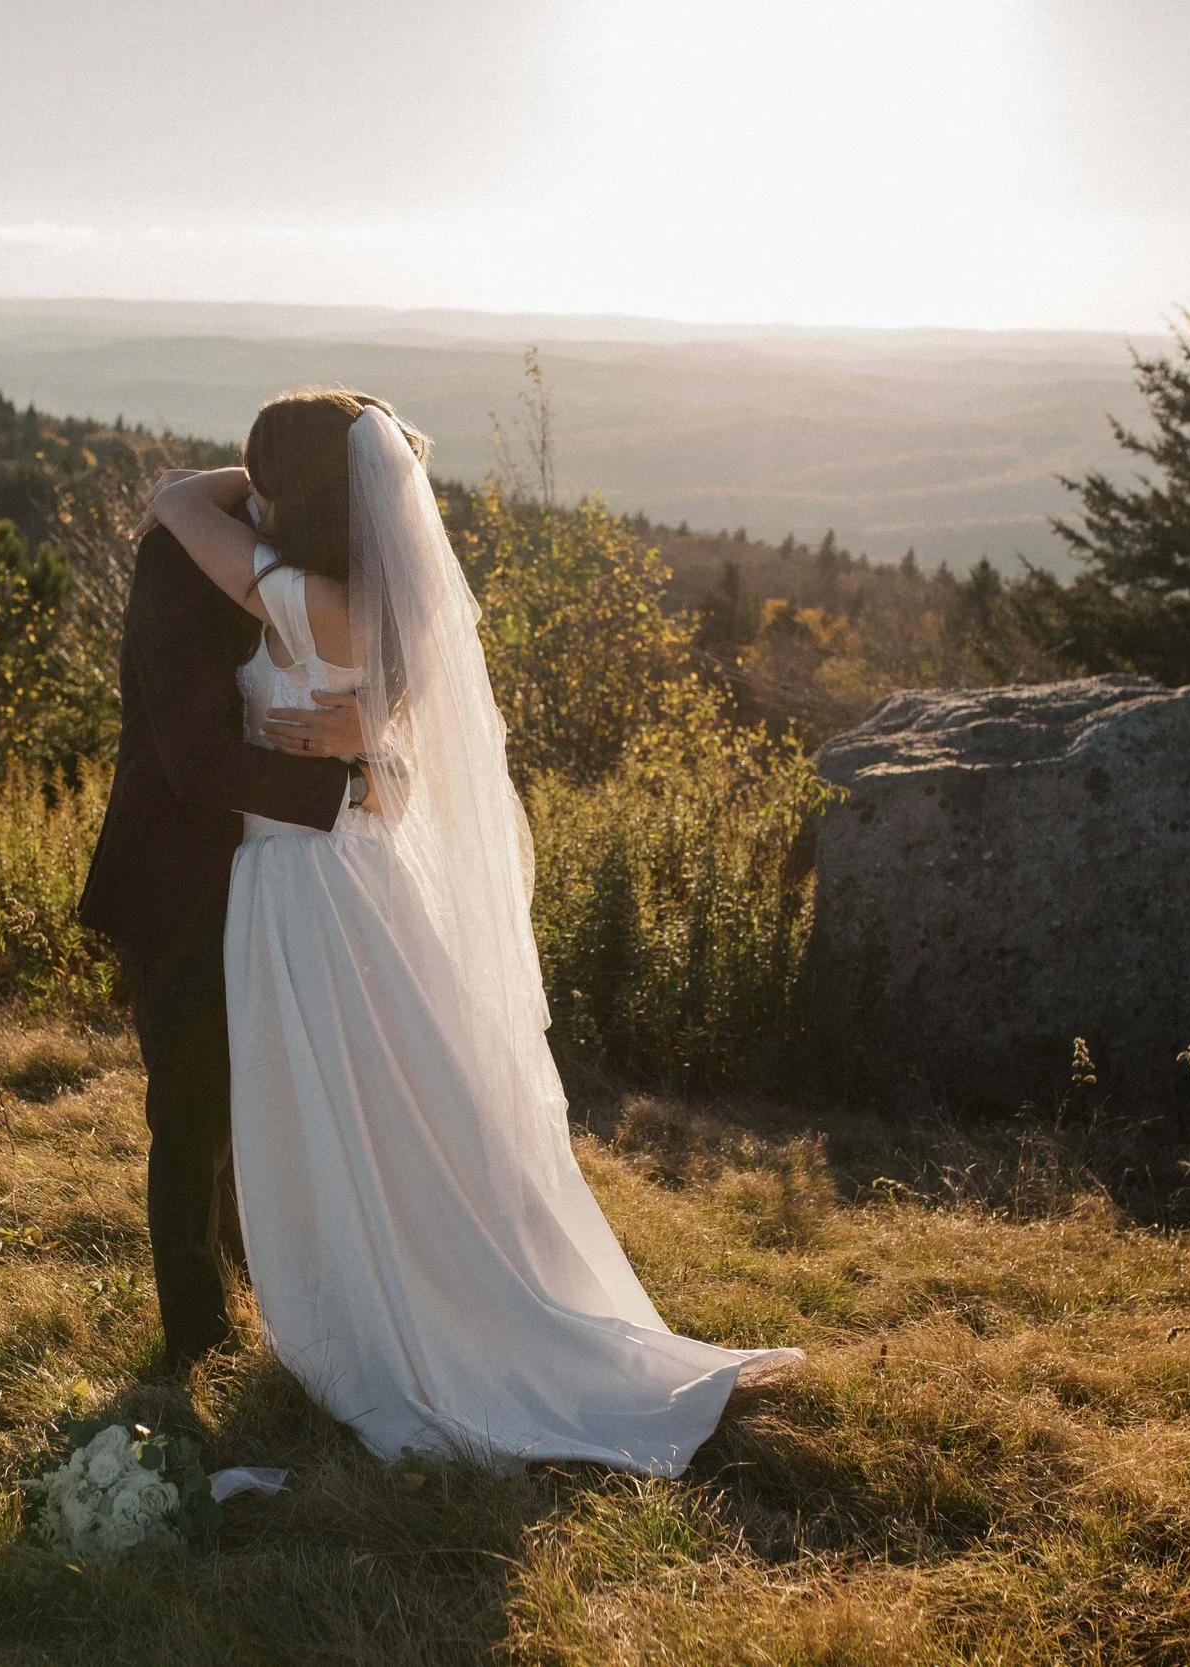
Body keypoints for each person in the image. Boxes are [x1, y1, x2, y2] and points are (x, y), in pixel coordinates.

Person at [135, 387, 797, 1478]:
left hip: (300, 887)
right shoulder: (392, 610)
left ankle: (371, 1310)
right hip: (365, 872)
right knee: (391, 1096)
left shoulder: (295, 597)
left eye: (267, 480)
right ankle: (410, 1274)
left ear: (288, 495)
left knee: (326, 1100)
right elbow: (400, 778)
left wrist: (236, 477)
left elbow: (172, 499)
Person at [75, 480, 372, 1371]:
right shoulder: (175, 557)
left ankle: (263, 1293)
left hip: (281, 883)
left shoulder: (328, 561)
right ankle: (194, 1345)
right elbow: (193, 758)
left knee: (261, 1109)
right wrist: (346, 784)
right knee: (191, 1111)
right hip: (178, 874)